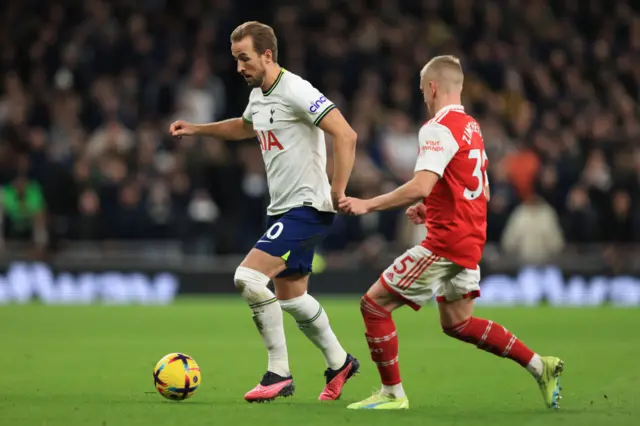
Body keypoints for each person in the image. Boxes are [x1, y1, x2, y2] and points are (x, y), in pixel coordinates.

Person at [339, 55, 563, 410]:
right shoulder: (472, 127)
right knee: (458, 323)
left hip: (445, 243)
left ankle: (392, 394)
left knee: (374, 305)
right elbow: (479, 191)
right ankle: (541, 366)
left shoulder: (436, 127)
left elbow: (419, 184)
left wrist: (369, 204)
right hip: (471, 241)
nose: (423, 98)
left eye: (422, 91)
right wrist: (432, 207)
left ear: (432, 87)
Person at [170, 21, 359, 403]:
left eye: (245, 58)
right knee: (291, 297)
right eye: (236, 59)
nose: (239, 67)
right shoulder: (260, 95)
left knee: (247, 277)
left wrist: (337, 189)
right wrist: (197, 129)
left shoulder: (296, 90)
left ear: (267, 55)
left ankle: (279, 373)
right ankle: (340, 362)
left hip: (306, 207)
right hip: (283, 210)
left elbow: (346, 133)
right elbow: (244, 127)